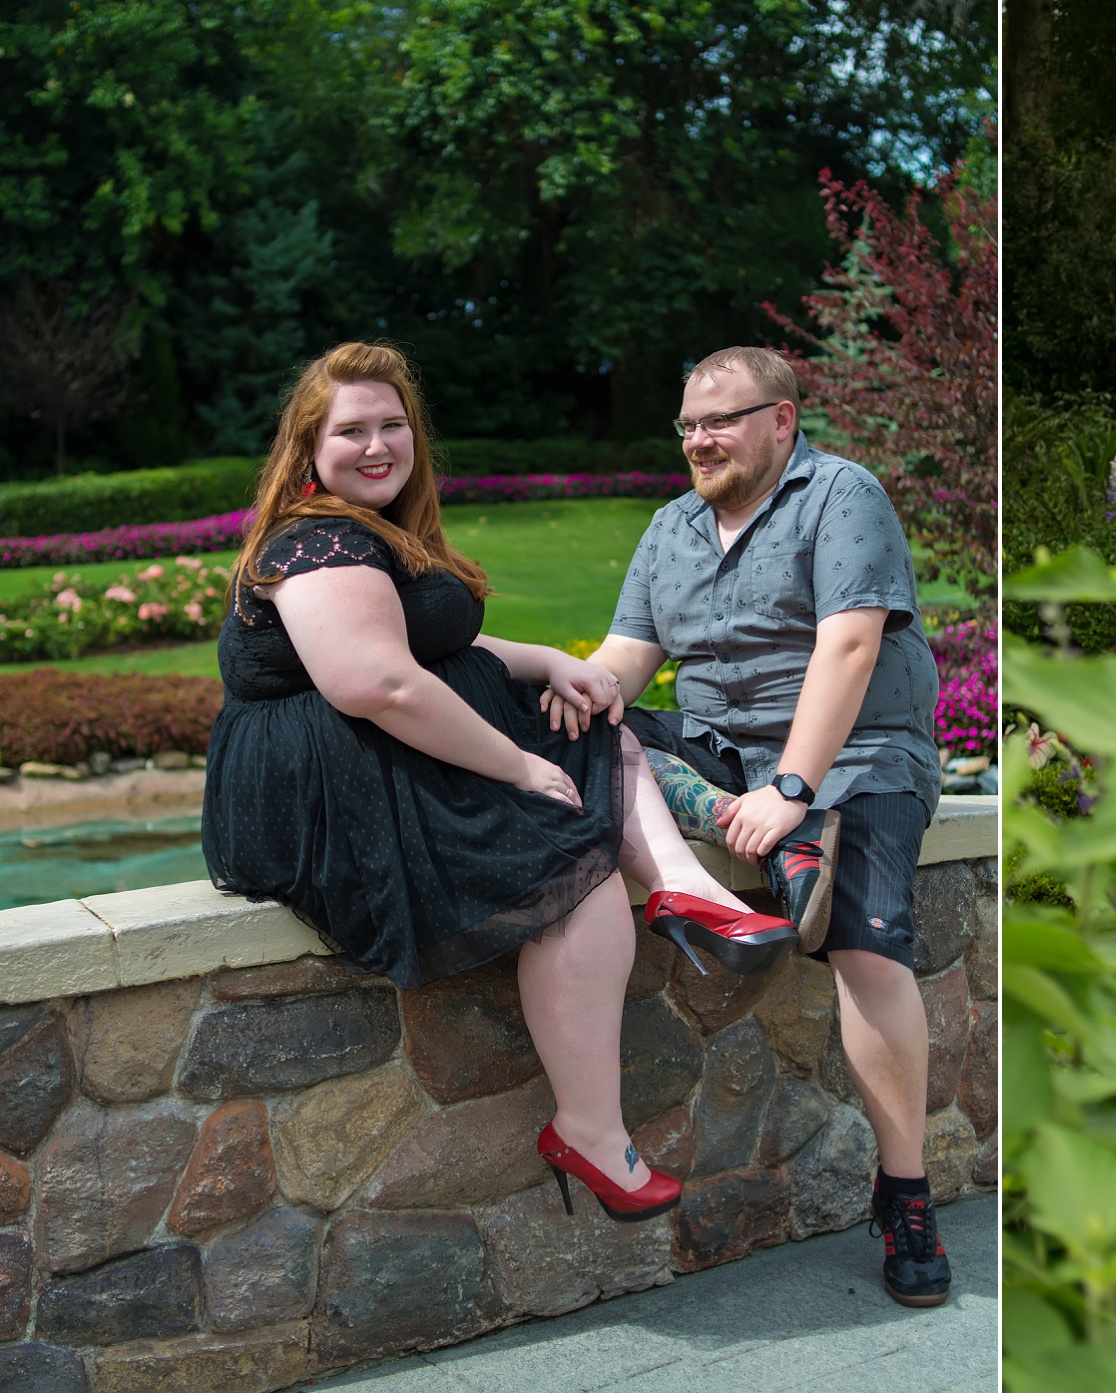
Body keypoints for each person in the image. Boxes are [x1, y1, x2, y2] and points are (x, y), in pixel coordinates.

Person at [201, 341, 795, 1227]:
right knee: (569, 858)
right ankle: (596, 1123)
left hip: (389, 760)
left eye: (392, 424)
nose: (377, 445)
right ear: (308, 448)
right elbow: (380, 683)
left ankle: (678, 895)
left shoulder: (377, 529)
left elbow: (437, 646)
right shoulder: (319, 539)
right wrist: (520, 765)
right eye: (351, 430)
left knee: (589, 741)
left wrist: (551, 659)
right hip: (333, 801)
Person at [569, 346, 953, 1309]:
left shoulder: (841, 494)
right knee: (583, 735)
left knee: (866, 945)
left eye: (722, 421)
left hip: (856, 755)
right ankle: (770, 843)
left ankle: (905, 1192)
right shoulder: (671, 528)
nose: (699, 440)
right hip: (724, 761)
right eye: (689, 426)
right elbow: (626, 659)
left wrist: (793, 784)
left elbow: (853, 642)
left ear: (781, 420)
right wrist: (546, 691)